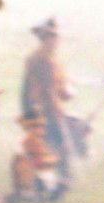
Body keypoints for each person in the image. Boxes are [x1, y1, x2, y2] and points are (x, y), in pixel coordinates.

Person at [22, 17, 75, 178]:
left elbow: (59, 89)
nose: (55, 41)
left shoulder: (53, 62)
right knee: (47, 150)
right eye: (51, 38)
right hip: (43, 114)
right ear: (45, 39)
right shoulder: (38, 60)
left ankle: (59, 183)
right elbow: (38, 90)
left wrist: (65, 93)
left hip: (53, 111)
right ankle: (48, 185)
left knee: (57, 148)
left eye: (55, 38)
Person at [9, 115, 66, 203]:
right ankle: (32, 193)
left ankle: (44, 191)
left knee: (63, 184)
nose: (42, 130)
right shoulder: (29, 141)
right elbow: (40, 161)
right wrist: (55, 158)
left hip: (39, 173)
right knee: (59, 184)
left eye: (42, 127)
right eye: (37, 127)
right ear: (30, 128)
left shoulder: (38, 141)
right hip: (33, 176)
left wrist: (54, 157)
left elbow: (44, 158)